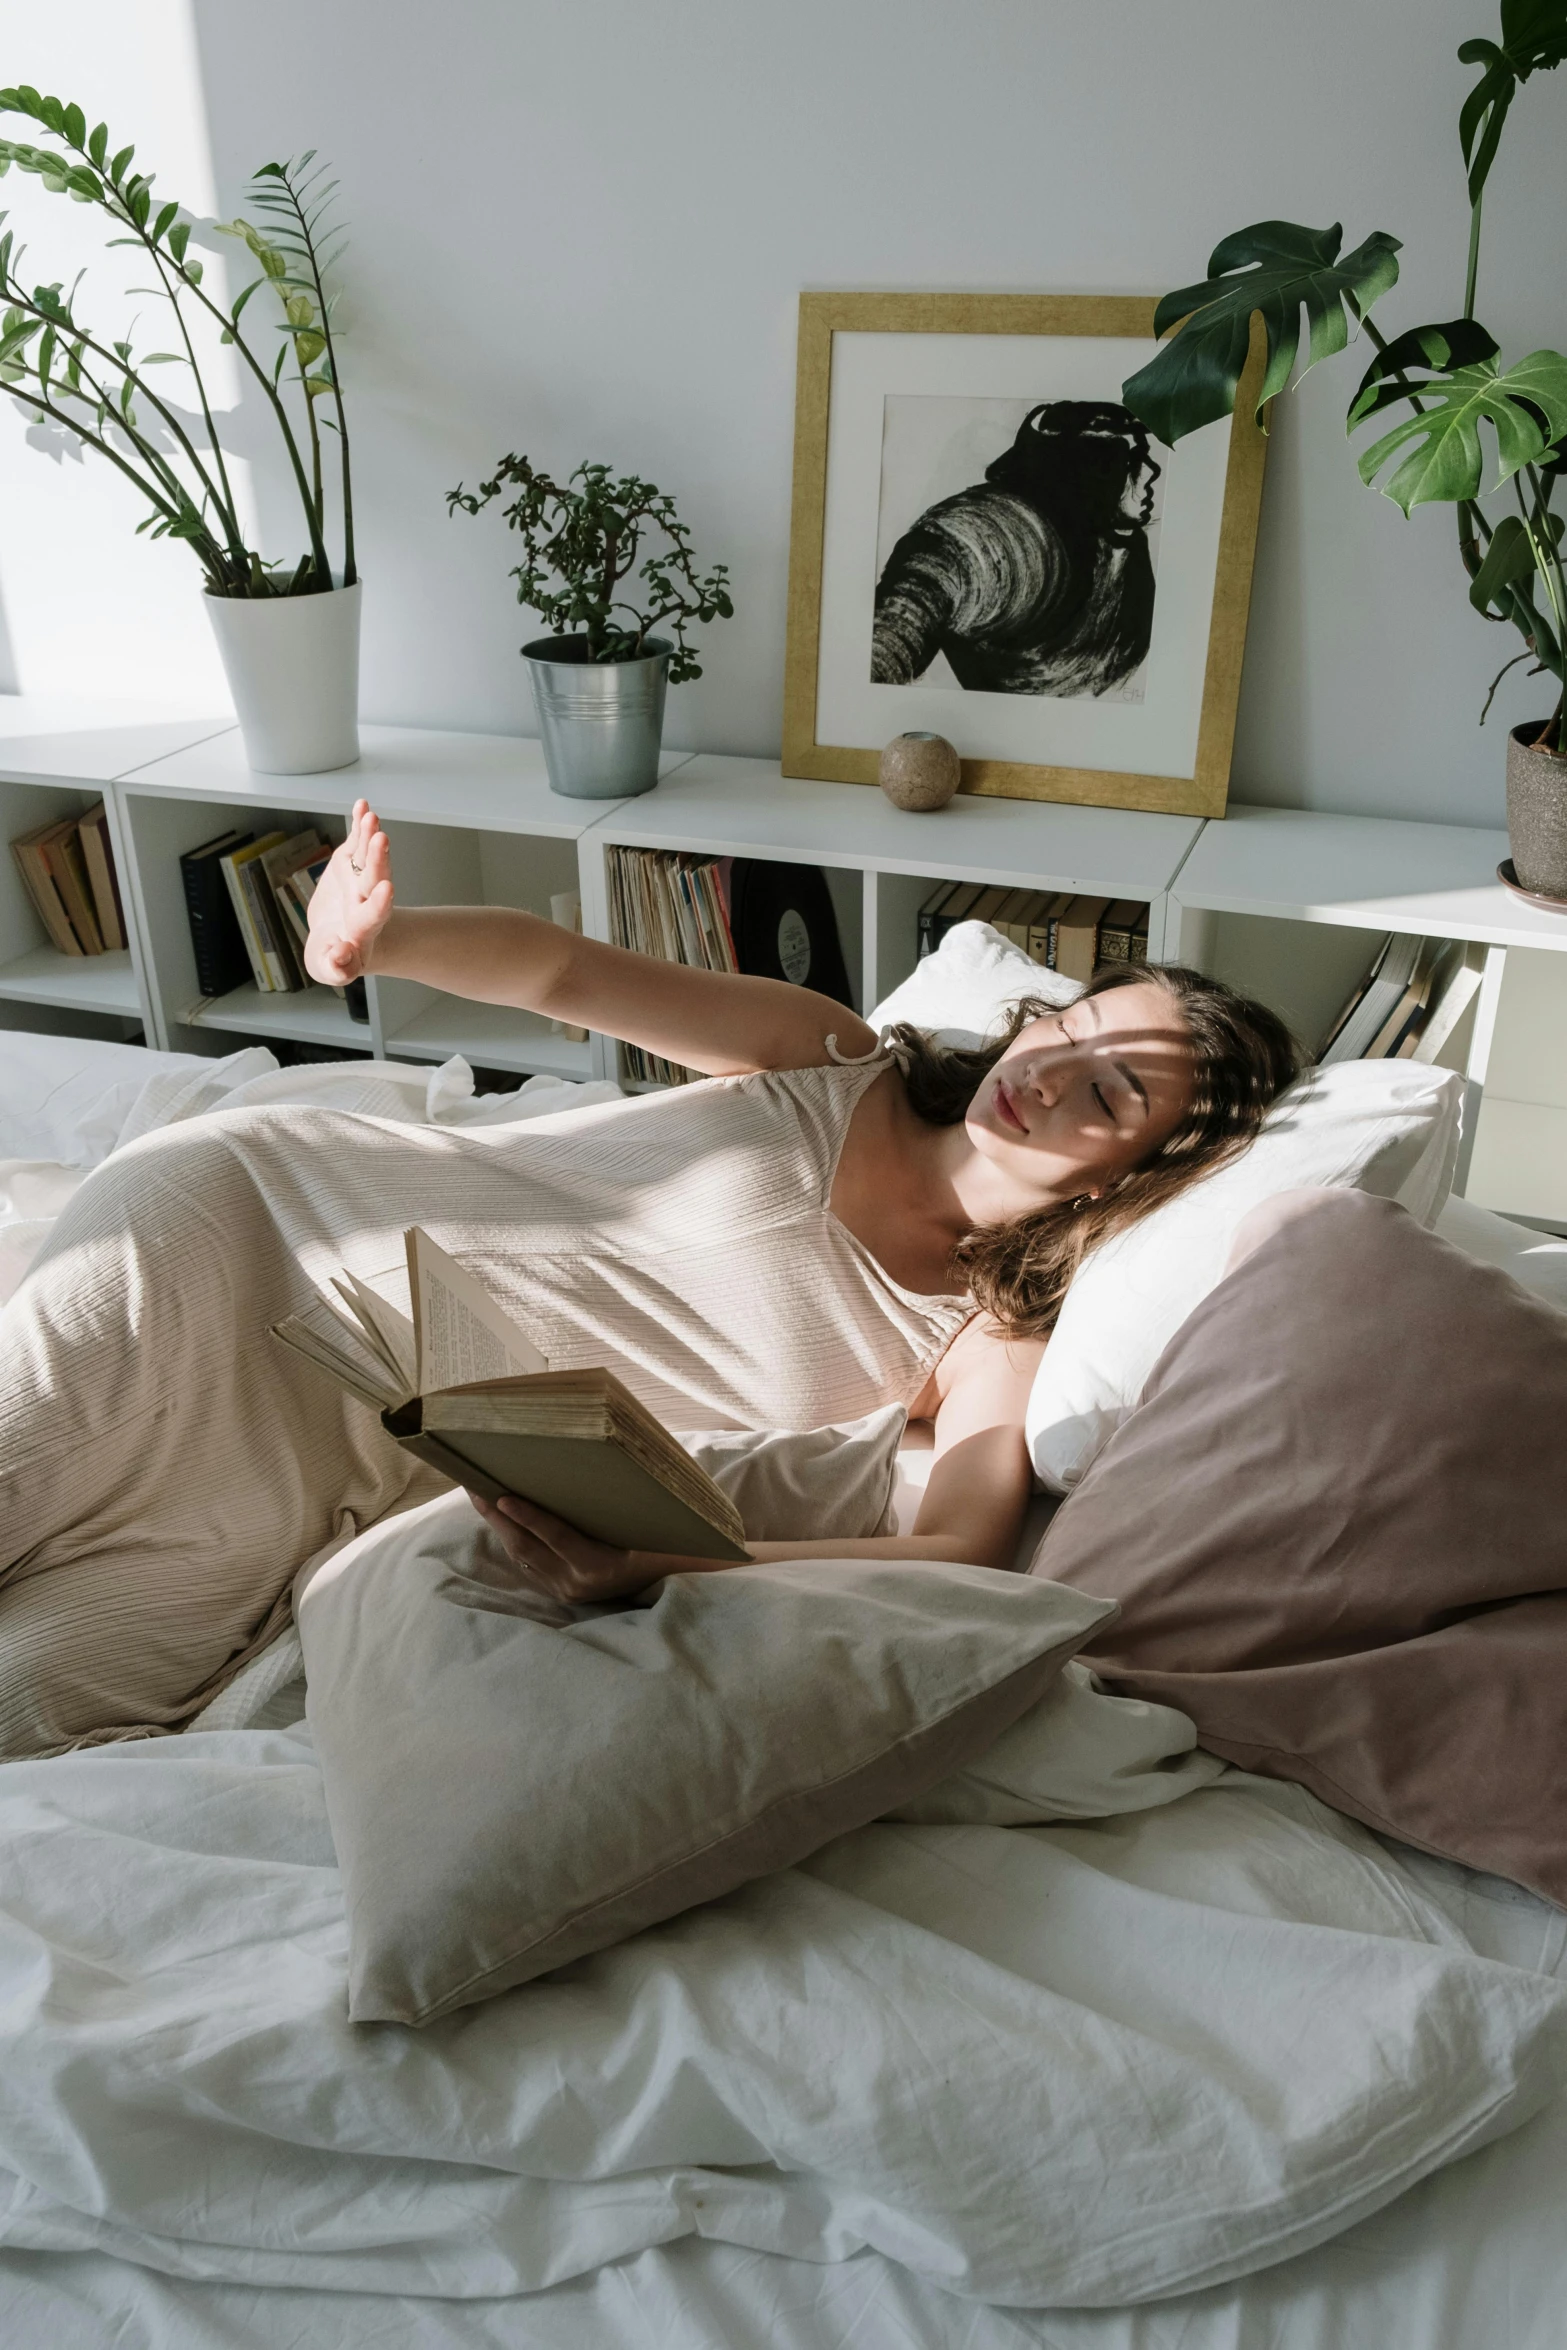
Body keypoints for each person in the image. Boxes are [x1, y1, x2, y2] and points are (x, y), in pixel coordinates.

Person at [0, 799, 1295, 1757]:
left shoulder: (985, 1334)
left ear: (1139, 1172)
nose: (1049, 1069)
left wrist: (662, 1565)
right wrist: (383, 938)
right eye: (1069, 1024)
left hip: (349, 1462)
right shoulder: (834, 1058)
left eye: (1110, 1088)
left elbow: (962, 1550)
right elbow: (567, 973)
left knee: (39, 1694)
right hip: (259, 1230)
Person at [871, 400, 1162, 698]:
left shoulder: (1123, 536)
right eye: (1134, 461)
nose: (1153, 472)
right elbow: (898, 630)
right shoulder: (998, 532)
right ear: (1089, 468)